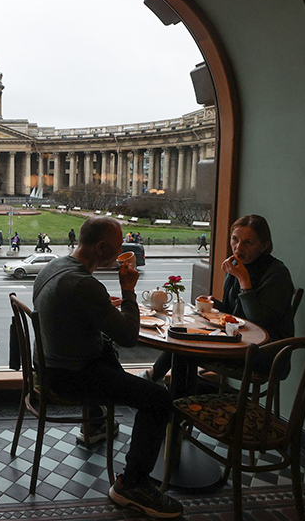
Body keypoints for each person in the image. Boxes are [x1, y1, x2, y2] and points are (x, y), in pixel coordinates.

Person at [33, 217, 182, 518]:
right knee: (158, 399)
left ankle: (96, 424)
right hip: (70, 376)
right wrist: (128, 289)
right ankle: (133, 484)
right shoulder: (84, 283)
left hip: (52, 365)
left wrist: (103, 306)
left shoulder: (56, 266)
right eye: (115, 250)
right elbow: (128, 336)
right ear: (101, 247)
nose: (118, 255)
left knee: (107, 351)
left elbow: (74, 312)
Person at [146, 214, 295, 383]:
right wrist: (214, 305)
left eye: (248, 242)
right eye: (234, 239)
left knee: (187, 347)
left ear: (264, 246)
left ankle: (158, 384)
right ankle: (168, 390)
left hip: (264, 353)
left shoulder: (277, 273)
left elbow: (259, 322)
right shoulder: (236, 266)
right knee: (183, 338)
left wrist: (244, 281)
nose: (238, 248)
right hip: (236, 341)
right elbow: (235, 315)